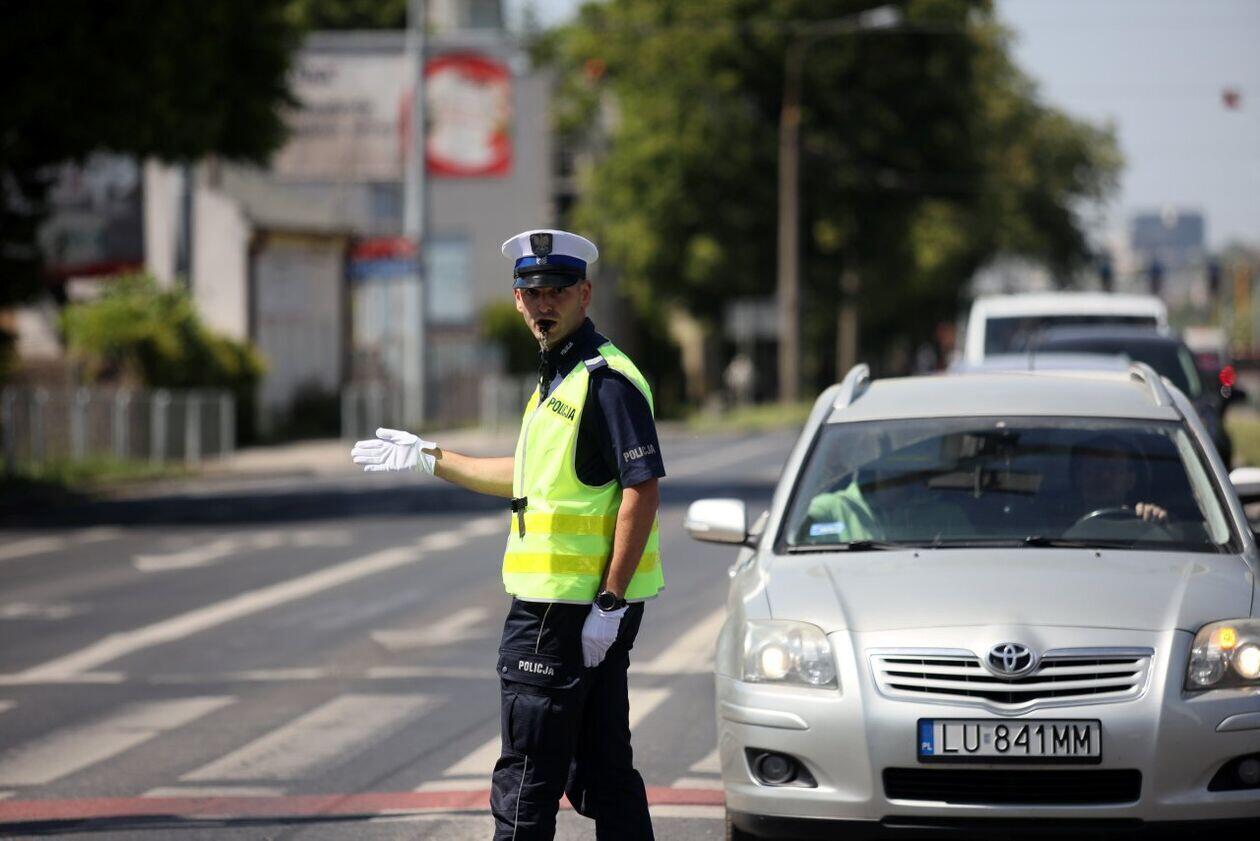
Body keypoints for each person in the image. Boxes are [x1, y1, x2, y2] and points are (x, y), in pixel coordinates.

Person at [351, 229, 664, 841]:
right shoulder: (560, 375)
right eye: (532, 293)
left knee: (527, 780)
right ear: (518, 299)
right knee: (603, 772)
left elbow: (642, 489)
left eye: (557, 292)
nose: (544, 304)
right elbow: (528, 478)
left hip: (563, 608)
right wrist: (429, 457)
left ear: (584, 295)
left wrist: (609, 603)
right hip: (578, 608)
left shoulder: (604, 380)